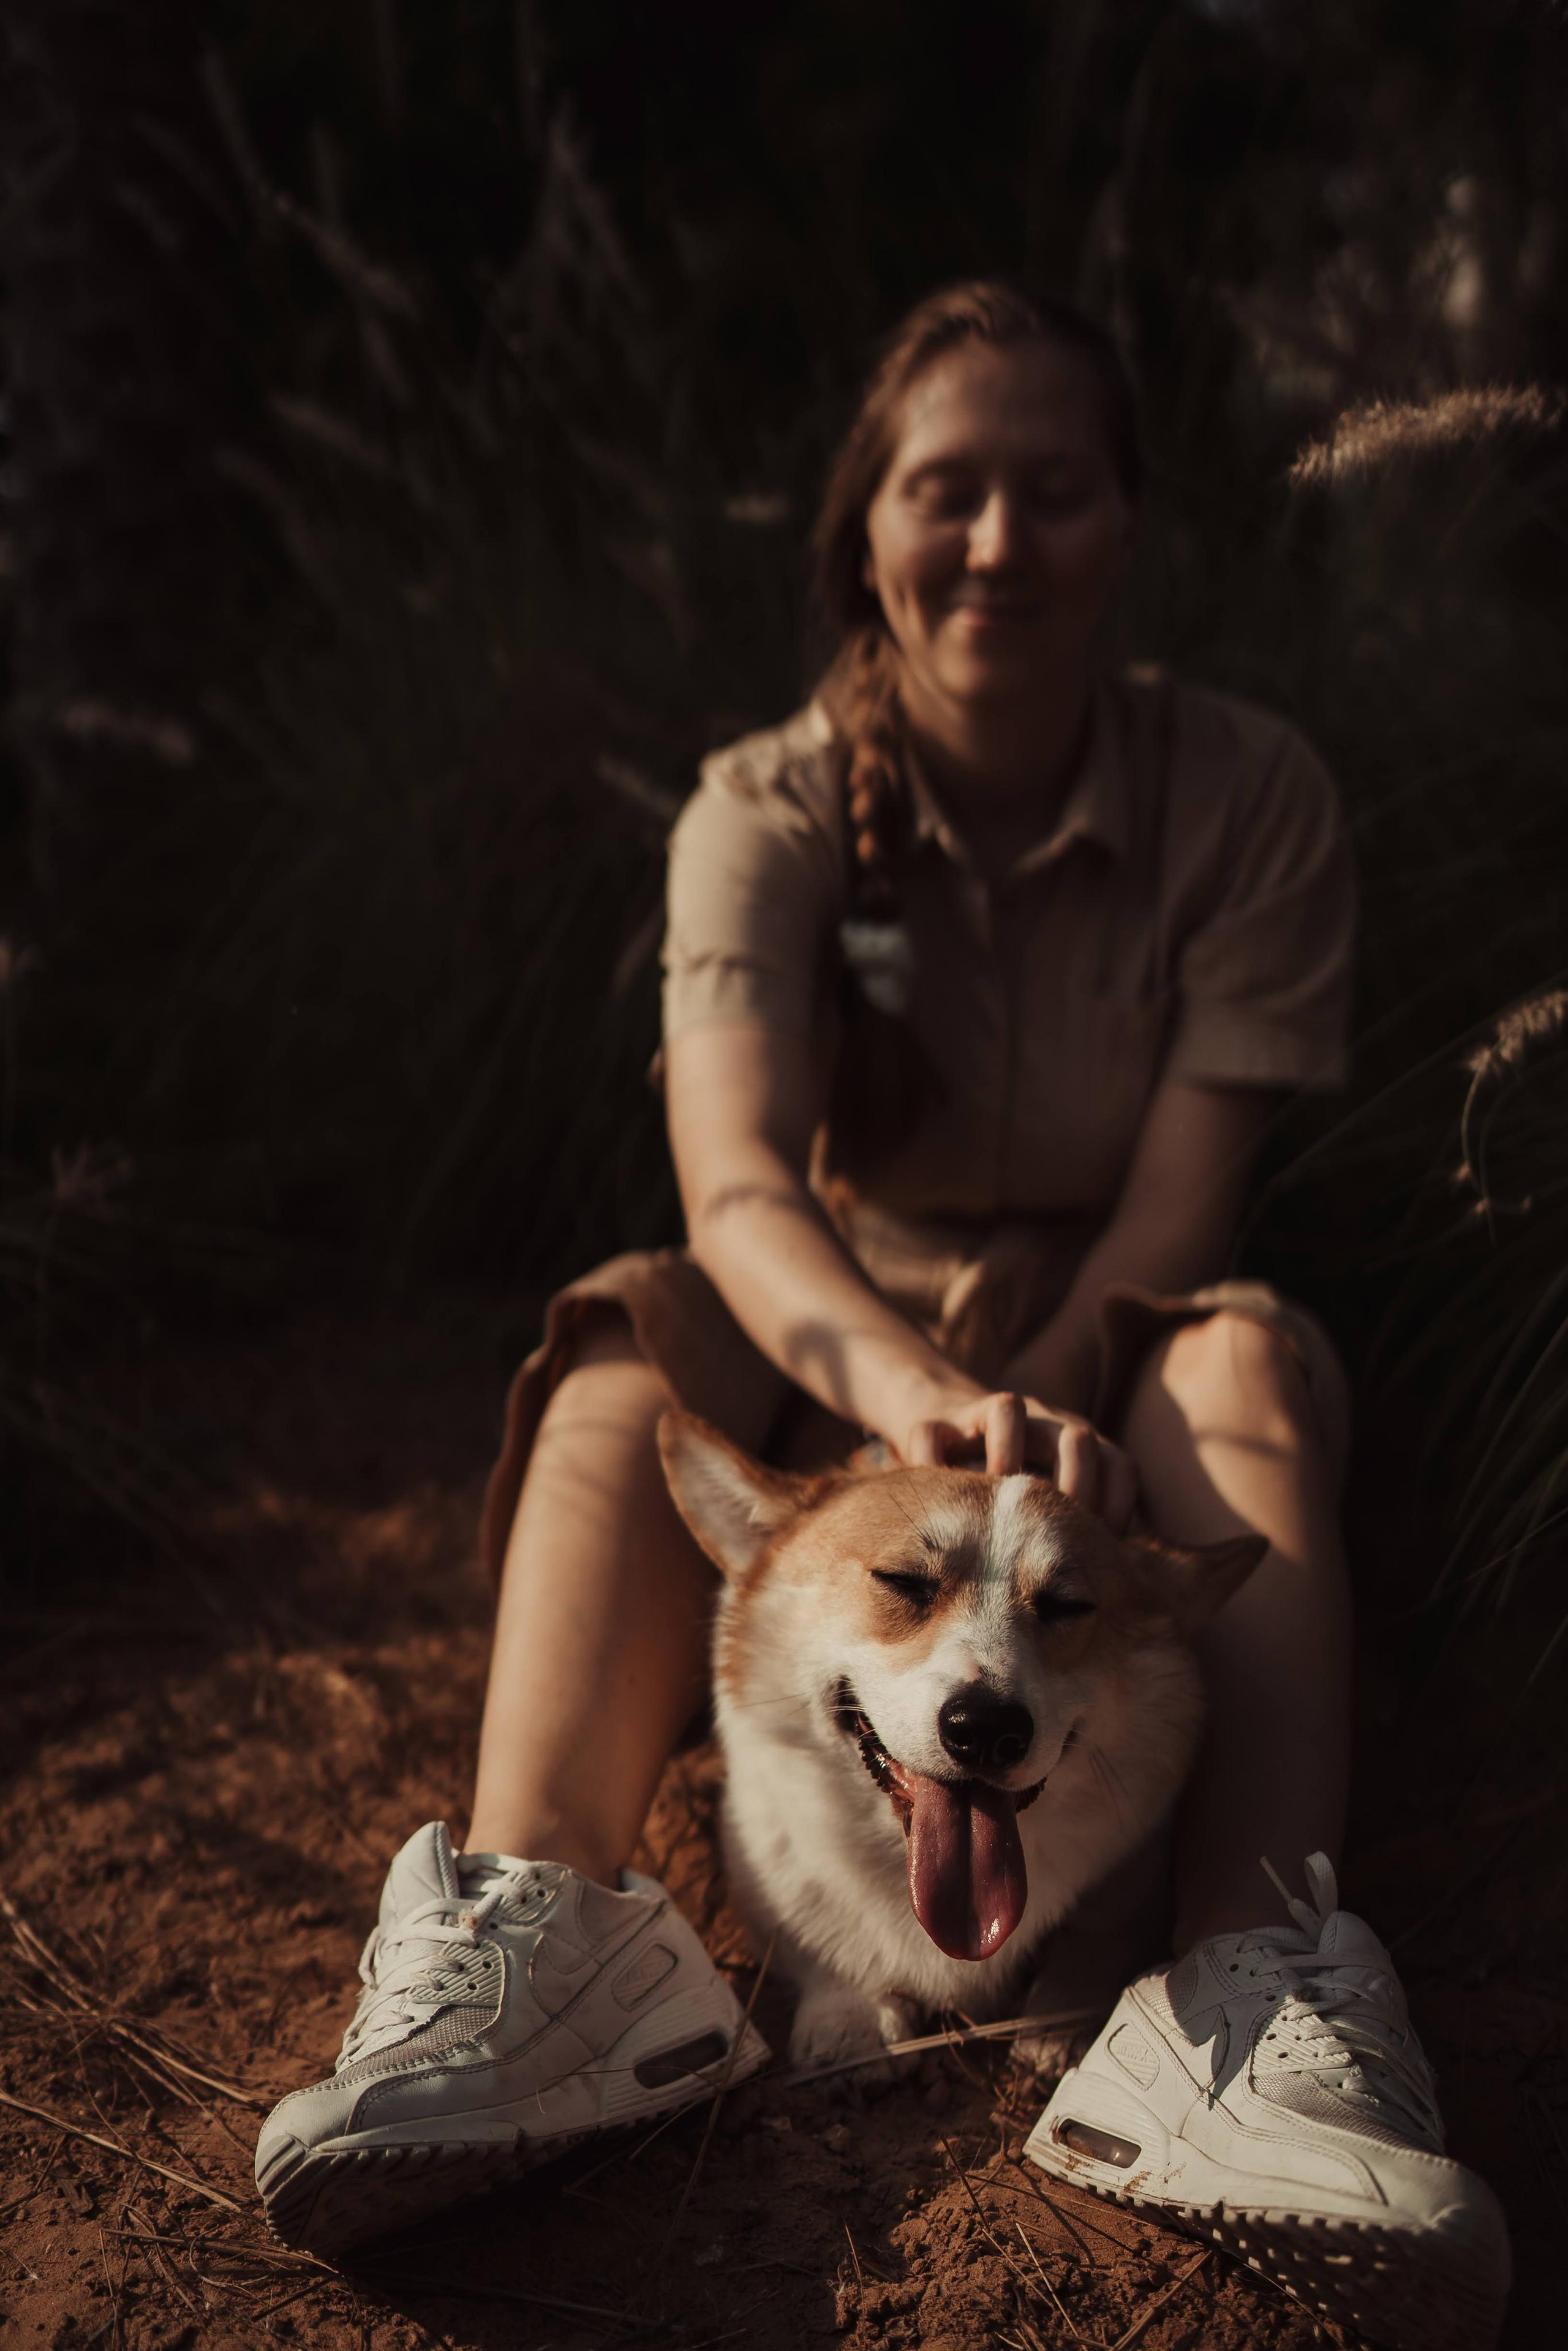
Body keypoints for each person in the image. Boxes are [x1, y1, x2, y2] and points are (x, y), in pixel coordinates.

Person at [254, 284, 1507, 2347]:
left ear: (1128, 525)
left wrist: (1058, 1405)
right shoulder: (756, 810)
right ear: (867, 531)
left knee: (1257, 1359)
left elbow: (1183, 1208)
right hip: (833, 1322)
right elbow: (738, 1191)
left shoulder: (1253, 794)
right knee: (615, 1354)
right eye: (950, 491)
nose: (1000, 540)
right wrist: (914, 1396)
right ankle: (545, 1930)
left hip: (1118, 1314)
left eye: (1056, 491)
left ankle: (1251, 1990)